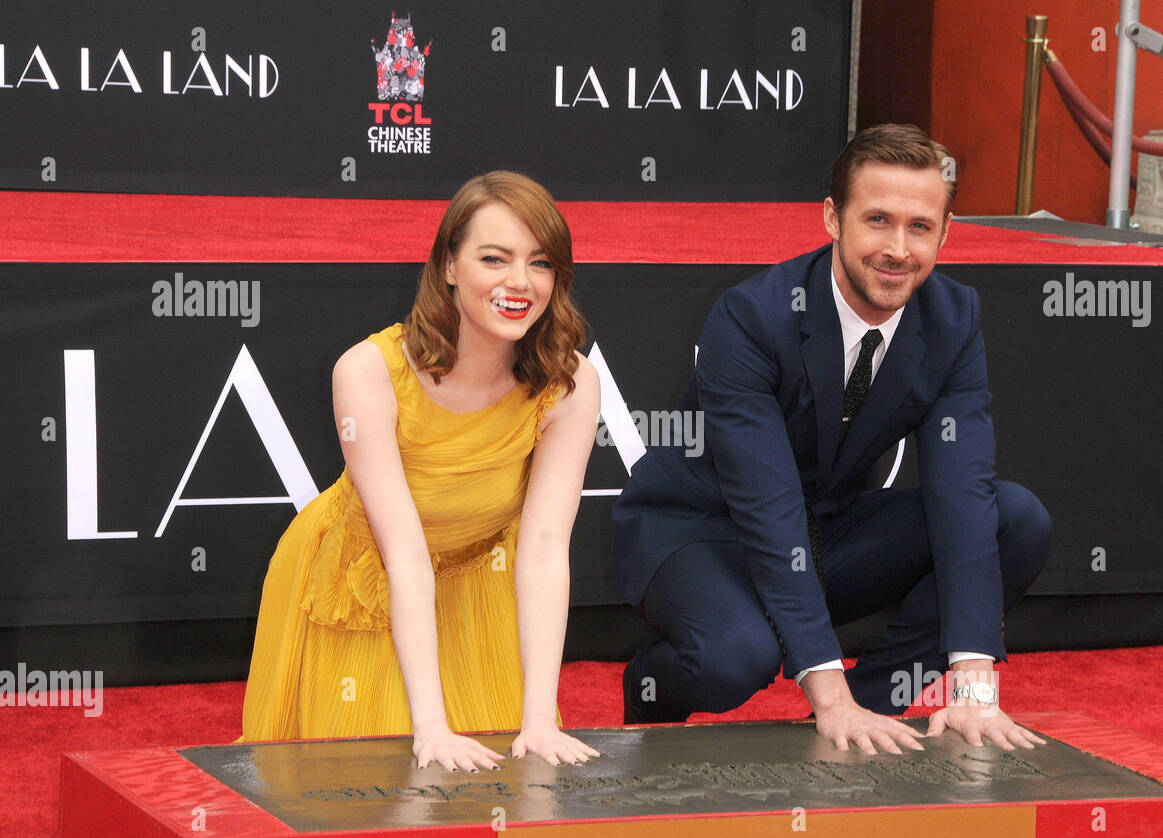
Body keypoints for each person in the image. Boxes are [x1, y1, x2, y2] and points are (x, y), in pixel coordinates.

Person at [612, 124, 1053, 754]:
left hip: (829, 531)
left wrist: (974, 691)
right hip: (701, 529)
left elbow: (962, 491)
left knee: (1015, 519)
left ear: (946, 233)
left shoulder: (952, 320)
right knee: (736, 658)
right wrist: (827, 691)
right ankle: (651, 686)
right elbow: (766, 505)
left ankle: (873, 711)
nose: (898, 249)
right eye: (877, 220)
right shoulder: (753, 317)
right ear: (831, 219)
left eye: (920, 227)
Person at [240, 171, 602, 772]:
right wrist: (429, 727)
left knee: (506, 785)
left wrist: (539, 717)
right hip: (368, 579)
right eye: (495, 258)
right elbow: (403, 551)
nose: (520, 283)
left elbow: (542, 547)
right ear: (449, 266)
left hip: (481, 578)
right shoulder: (368, 371)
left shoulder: (571, 382)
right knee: (367, 788)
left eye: (540, 264)